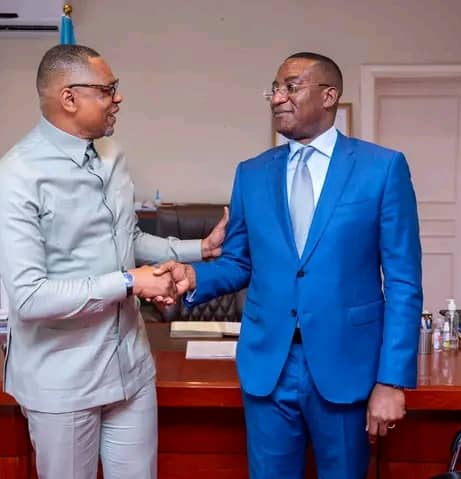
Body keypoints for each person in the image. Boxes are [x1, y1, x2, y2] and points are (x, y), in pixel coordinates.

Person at [157, 52, 422, 478]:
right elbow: (238, 262)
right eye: (274, 89)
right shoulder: (251, 174)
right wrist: (193, 276)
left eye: (291, 87)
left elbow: (404, 282)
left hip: (346, 365)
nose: (278, 97)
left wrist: (391, 380)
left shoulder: (382, 168)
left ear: (329, 96)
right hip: (269, 365)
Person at [0, 44, 228, 479]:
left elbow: (126, 240)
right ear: (69, 98)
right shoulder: (16, 176)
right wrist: (130, 282)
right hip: (63, 378)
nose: (119, 98)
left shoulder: (112, 155)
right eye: (107, 89)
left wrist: (199, 250)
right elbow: (30, 298)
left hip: (130, 366)